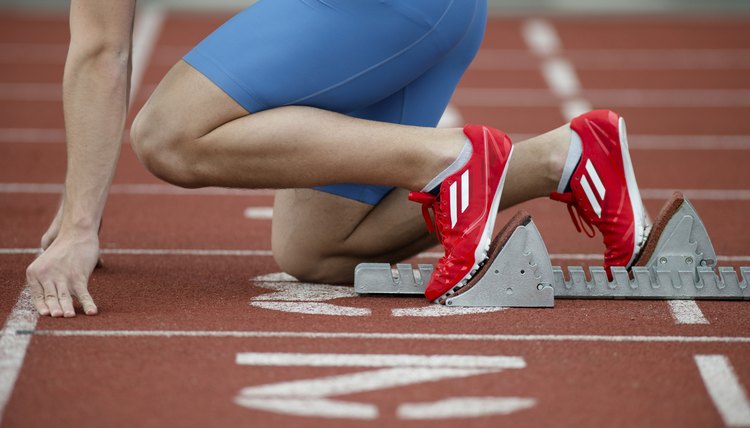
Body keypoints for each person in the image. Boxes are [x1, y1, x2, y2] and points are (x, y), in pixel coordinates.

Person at [25, 0, 650, 317]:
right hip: (436, 15)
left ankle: (451, 159)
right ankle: (561, 159)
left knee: (167, 134)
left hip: (382, 13)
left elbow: (102, 52)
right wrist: (76, 207)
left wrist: (81, 225)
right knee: (317, 251)